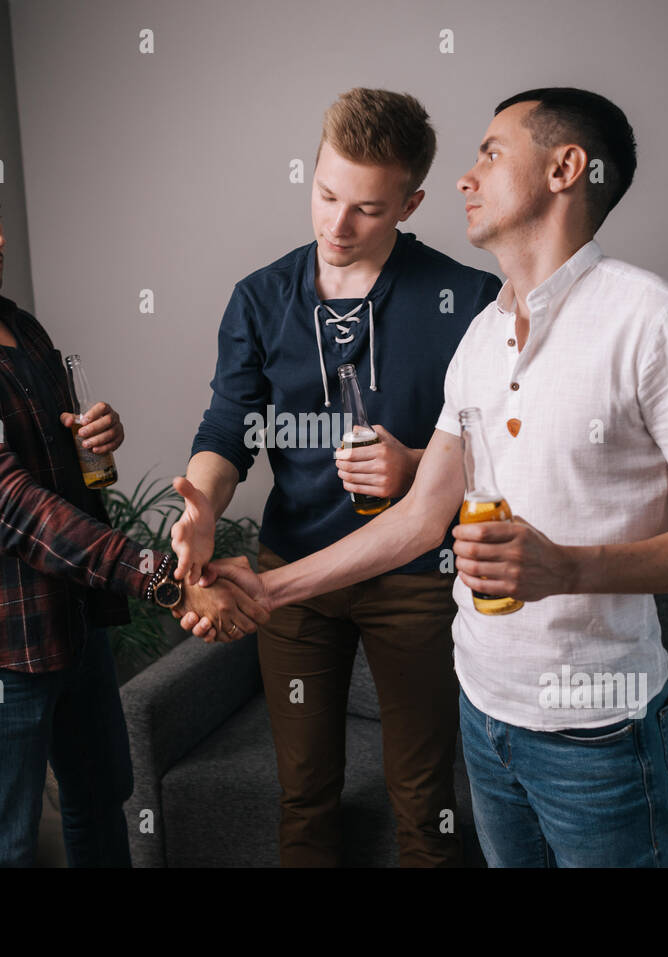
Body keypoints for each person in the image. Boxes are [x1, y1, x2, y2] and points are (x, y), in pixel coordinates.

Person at [187, 88, 668, 868]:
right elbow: (421, 518)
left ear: (565, 168)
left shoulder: (655, 320)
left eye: (491, 153)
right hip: (484, 712)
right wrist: (270, 588)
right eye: (326, 196)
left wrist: (568, 566)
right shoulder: (485, 334)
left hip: (595, 726)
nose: (468, 176)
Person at [0, 137, 265, 867]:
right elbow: (9, 507)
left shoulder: (20, 325)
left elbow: (68, 475)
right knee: (3, 849)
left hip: (72, 622)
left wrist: (96, 444)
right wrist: (163, 576)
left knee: (99, 801)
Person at [171, 89, 503, 867]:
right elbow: (229, 430)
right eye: (325, 195)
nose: (336, 225)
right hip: (293, 574)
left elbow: (510, 450)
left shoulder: (470, 300)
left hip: (419, 578)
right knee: (304, 792)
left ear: (412, 202)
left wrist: (417, 465)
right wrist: (202, 503)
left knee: (424, 799)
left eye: (367, 209)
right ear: (314, 170)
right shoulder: (258, 298)